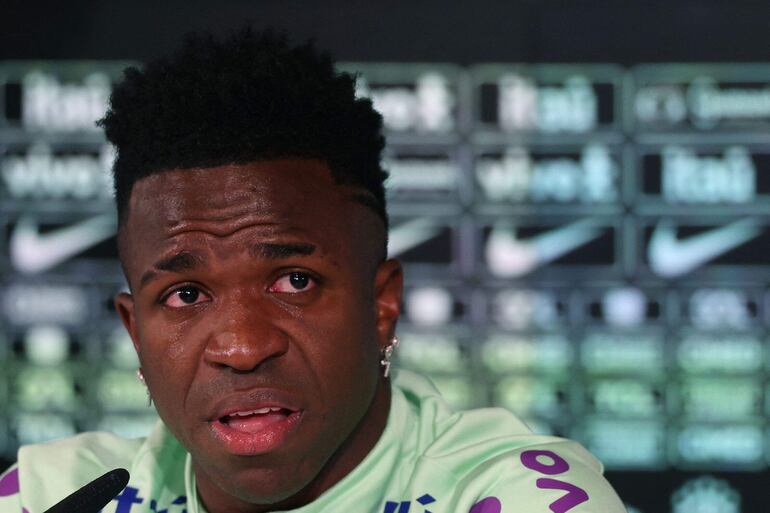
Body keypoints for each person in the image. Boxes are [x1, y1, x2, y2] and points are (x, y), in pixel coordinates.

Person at [0, 28, 626, 513]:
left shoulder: (515, 493)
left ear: (381, 306)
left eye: (294, 281)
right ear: (136, 334)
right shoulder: (52, 494)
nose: (242, 347)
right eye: (186, 293)